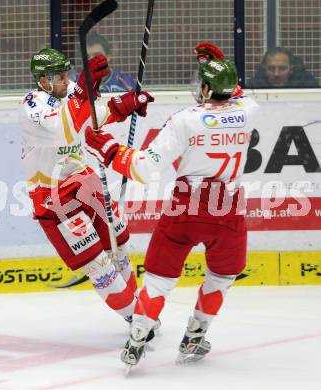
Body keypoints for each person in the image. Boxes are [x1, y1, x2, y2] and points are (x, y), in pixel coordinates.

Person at [85, 58, 260, 369]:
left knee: (159, 279)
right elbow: (240, 94)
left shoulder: (185, 119)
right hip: (228, 209)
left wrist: (108, 148)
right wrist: (224, 70)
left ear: (206, 88)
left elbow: (141, 167)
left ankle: (137, 337)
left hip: (185, 207)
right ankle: (195, 336)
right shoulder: (249, 111)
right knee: (221, 277)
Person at [18, 48, 153, 323]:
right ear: (42, 80)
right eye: (59, 77)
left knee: (119, 248)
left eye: (67, 75)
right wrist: (82, 92)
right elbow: (62, 130)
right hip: (53, 197)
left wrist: (123, 105)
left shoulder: (67, 94)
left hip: (85, 182)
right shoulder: (31, 108)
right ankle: (136, 319)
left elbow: (91, 115)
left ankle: (138, 308)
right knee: (98, 264)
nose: (66, 81)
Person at [247, 46, 319, 88]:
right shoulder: (254, 85)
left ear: (291, 70)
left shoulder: (308, 84)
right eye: (271, 69)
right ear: (265, 70)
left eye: (282, 68)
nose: (276, 74)